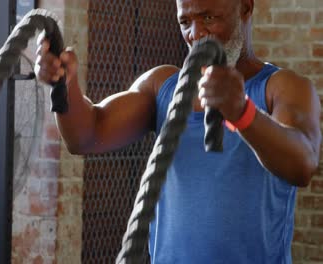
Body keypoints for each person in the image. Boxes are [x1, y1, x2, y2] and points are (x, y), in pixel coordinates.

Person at [35, 0, 321, 263]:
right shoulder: (162, 86)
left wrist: (241, 112)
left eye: (209, 17)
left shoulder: (281, 87)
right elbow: (86, 135)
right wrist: (65, 85)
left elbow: (302, 165)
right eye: (185, 22)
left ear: (245, 7)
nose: (196, 34)